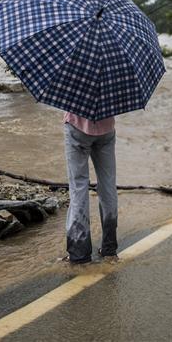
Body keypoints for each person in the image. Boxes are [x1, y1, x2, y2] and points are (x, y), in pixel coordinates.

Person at [62, 111, 118, 264]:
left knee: (78, 187)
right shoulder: (112, 85)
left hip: (76, 127)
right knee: (108, 185)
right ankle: (109, 249)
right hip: (106, 129)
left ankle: (79, 253)